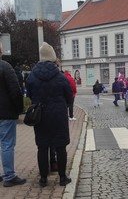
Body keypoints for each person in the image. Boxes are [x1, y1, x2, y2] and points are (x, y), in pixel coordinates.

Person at [26, 42, 73, 187]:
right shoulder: (60, 76)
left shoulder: (32, 76)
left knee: (42, 146)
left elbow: (29, 93)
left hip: (40, 115)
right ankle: (63, 178)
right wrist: (62, 105)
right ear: (53, 58)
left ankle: (43, 179)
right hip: (58, 115)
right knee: (60, 147)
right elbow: (69, 96)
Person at [0, 42, 27, 187]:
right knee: (7, 144)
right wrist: (19, 109)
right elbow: (15, 91)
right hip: (5, 113)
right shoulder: (5, 67)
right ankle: (9, 176)